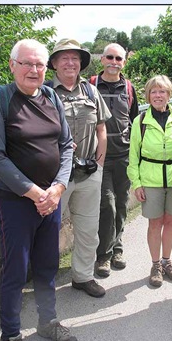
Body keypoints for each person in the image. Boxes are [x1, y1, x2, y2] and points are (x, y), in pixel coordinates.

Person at [0, 39, 77, 341]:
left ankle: (47, 322)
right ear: (12, 66)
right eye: (27, 63)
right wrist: (35, 193)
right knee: (16, 270)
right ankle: (10, 337)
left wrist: (59, 187)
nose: (34, 70)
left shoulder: (51, 96)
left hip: (51, 200)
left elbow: (66, 145)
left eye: (39, 64)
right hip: (16, 203)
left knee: (48, 264)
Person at [47, 38, 111, 298]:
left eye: (75, 58)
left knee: (88, 229)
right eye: (64, 58)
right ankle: (45, 281)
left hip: (88, 173)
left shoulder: (91, 91)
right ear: (54, 64)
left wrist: (100, 163)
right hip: (54, 177)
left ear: (81, 63)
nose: (70, 63)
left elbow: (102, 128)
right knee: (48, 231)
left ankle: (83, 277)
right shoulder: (45, 92)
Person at [127, 75, 172, 288]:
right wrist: (137, 183)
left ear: (169, 94)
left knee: (171, 222)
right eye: (154, 91)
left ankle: (167, 261)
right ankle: (155, 264)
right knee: (154, 223)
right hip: (150, 180)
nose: (158, 95)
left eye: (162, 91)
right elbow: (133, 156)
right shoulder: (140, 122)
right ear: (148, 95)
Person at [92, 43, 139, 278]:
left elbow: (134, 121)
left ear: (124, 62)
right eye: (109, 57)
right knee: (106, 206)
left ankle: (117, 248)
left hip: (124, 156)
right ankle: (103, 255)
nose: (114, 61)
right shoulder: (90, 85)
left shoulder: (129, 88)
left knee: (121, 204)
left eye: (118, 58)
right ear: (102, 59)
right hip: (99, 158)